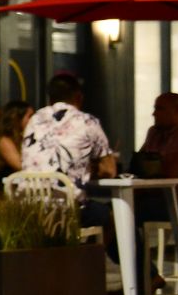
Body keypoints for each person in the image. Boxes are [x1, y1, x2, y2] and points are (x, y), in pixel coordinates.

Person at [19, 73, 116, 255]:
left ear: (50, 98)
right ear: (79, 97)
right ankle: (83, 265)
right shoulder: (87, 121)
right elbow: (110, 170)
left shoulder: (34, 120)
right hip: (64, 211)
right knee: (115, 217)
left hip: (27, 209)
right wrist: (88, 168)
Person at [136, 92, 178, 220]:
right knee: (118, 209)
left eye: (160, 109)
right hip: (155, 198)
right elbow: (138, 162)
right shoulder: (154, 133)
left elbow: (170, 172)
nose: (154, 114)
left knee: (124, 211)